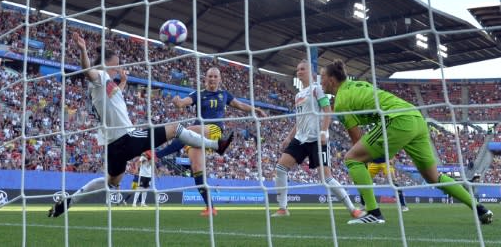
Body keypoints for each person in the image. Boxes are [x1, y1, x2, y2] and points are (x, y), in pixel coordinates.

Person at [48, 33, 234, 217]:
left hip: (112, 146)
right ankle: (216, 145)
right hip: (126, 138)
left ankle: (69, 202)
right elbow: (87, 71)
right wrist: (82, 50)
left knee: (110, 182)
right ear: (108, 64)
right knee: (175, 128)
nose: (120, 66)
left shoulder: (106, 85)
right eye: (117, 63)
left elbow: (113, 95)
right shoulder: (100, 76)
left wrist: (123, 82)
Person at [320, 59, 493, 224]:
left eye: (322, 78)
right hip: (416, 118)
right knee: (433, 177)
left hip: (398, 119)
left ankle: (373, 213)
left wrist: (364, 163)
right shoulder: (358, 85)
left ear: (332, 79)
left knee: (352, 158)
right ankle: (480, 209)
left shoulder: (341, 101)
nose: (320, 82)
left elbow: (356, 139)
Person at [157, 66, 267, 216]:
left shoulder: (224, 94)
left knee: (185, 130)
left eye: (215, 76)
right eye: (210, 76)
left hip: (214, 130)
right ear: (205, 78)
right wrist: (178, 102)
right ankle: (210, 207)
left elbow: (240, 105)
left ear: (220, 79)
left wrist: (256, 109)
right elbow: (184, 102)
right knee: (196, 168)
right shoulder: (199, 94)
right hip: (197, 133)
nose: (213, 79)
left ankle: (158, 154)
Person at [271, 60, 364, 218]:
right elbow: (300, 120)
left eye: (302, 69)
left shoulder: (317, 89)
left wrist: (323, 131)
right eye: (297, 69)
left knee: (326, 178)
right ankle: (282, 208)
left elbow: (327, 110)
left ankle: (353, 209)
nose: (299, 71)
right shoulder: (298, 95)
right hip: (300, 139)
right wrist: (289, 137)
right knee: (280, 168)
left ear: (311, 73)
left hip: (316, 139)